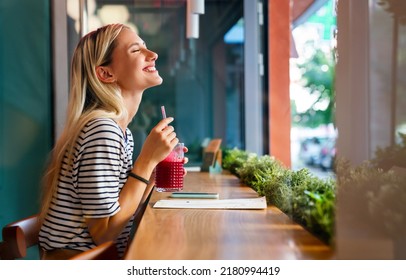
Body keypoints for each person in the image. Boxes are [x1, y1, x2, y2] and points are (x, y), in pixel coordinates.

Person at [38, 23, 187, 259]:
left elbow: (121, 212)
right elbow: (105, 234)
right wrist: (146, 161)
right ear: (106, 73)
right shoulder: (102, 130)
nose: (153, 54)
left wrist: (153, 172)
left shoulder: (118, 131)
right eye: (136, 50)